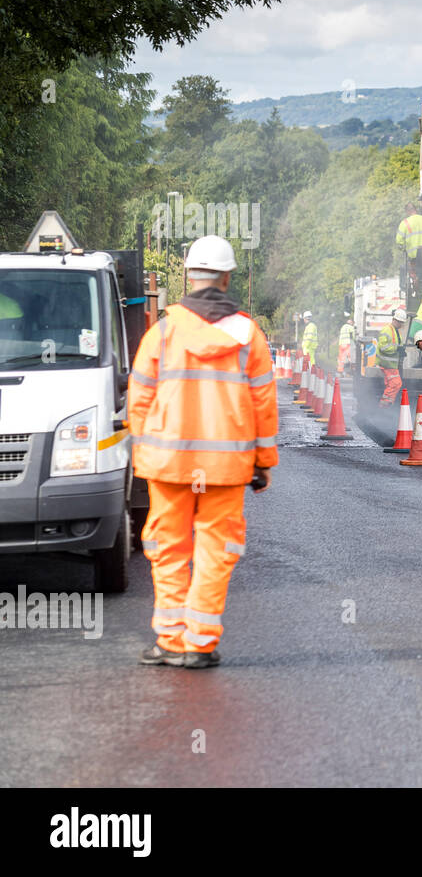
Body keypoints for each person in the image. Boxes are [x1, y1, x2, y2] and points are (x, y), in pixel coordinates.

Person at [128, 235, 277, 670]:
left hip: (168, 464)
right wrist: (263, 462)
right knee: (217, 551)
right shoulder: (250, 336)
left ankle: (170, 642)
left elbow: (139, 398)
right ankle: (200, 644)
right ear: (227, 277)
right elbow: (263, 404)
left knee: (167, 548)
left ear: (190, 276)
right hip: (226, 468)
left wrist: (145, 454)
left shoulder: (164, 331)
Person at [376, 307, 408, 406]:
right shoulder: (387, 330)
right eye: (399, 322)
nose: (400, 324)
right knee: (396, 383)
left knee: (391, 384)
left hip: (391, 364)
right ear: (394, 319)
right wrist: (397, 349)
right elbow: (383, 347)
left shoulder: (395, 330)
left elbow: (395, 345)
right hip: (387, 363)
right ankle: (385, 403)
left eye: (402, 322)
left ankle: (387, 404)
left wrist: (400, 350)